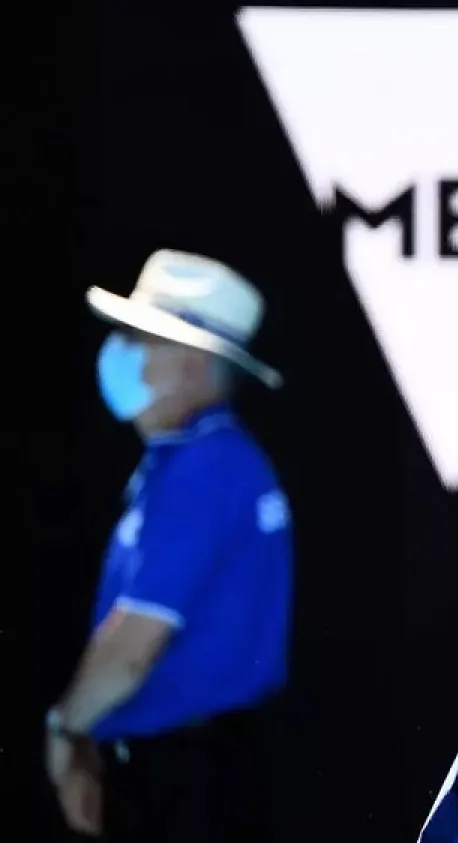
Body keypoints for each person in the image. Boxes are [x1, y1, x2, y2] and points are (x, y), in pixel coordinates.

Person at [46, 248, 293, 842]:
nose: (119, 354)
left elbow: (134, 645)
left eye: (140, 339)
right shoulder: (202, 460)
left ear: (190, 364)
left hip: (185, 786)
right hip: (201, 772)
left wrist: (65, 728)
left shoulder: (202, 470)